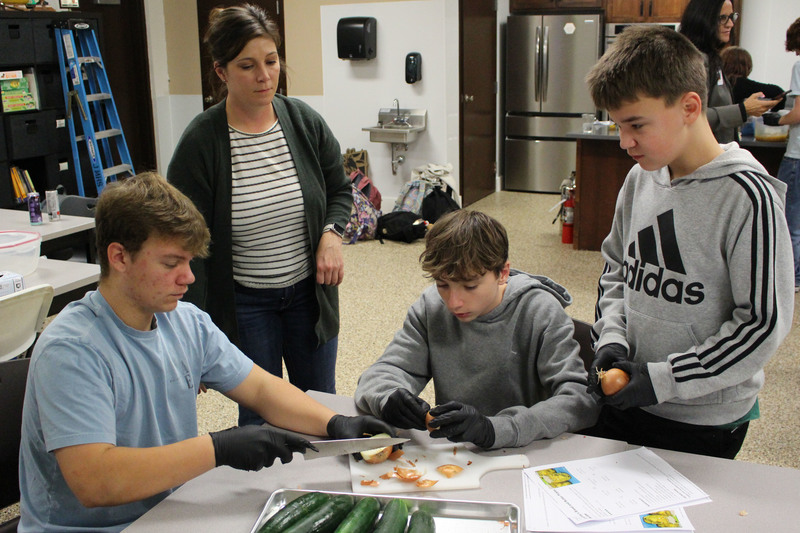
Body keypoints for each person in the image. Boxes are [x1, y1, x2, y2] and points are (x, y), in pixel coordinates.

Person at [17, 173, 393, 533]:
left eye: (189, 262)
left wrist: (335, 424)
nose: (189, 277)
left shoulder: (185, 321)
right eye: (171, 263)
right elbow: (96, 482)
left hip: (168, 512)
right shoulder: (73, 349)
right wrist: (217, 449)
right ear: (119, 257)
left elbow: (261, 389)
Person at [583, 25, 794, 459]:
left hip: (701, 419)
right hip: (630, 395)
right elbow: (616, 271)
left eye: (636, 125)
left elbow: (762, 324)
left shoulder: (747, 197)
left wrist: (665, 379)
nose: (624, 142)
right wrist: (611, 340)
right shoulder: (640, 178)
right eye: (619, 126)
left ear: (690, 107)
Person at [167, 4, 351, 426]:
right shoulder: (201, 142)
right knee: (259, 420)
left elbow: (340, 189)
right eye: (247, 66)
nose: (264, 76)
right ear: (221, 71)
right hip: (244, 304)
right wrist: (188, 336)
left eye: (271, 61)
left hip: (309, 296)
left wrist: (331, 234)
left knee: (320, 409)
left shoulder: (303, 121)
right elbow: (182, 242)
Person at [354, 210, 599, 449]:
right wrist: (388, 397)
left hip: (527, 452)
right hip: (458, 455)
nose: (454, 303)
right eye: (443, 285)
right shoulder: (431, 307)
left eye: (470, 286)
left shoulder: (540, 311)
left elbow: (580, 400)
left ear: (503, 273)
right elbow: (383, 373)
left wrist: (496, 429)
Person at [679, 0, 780, 143]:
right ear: (702, 19)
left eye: (732, 17)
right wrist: (743, 110)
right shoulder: (695, 61)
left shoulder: (713, 59)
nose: (730, 24)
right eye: (722, 18)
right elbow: (690, 116)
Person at [766, 18, 800, 292]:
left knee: (790, 221)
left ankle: (793, 277)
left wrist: (776, 120)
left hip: (798, 156)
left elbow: (798, 113)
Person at [720, 46, 786, 112]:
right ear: (747, 66)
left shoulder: (720, 81)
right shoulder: (739, 83)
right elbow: (778, 92)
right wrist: (773, 114)